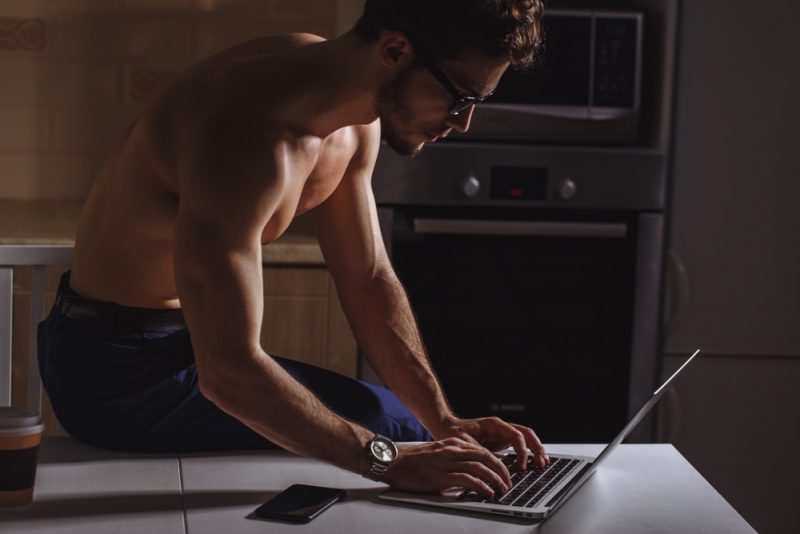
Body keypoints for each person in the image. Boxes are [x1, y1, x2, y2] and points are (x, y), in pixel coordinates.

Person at [38, 0, 547, 499]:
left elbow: (369, 279)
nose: (462, 124)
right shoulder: (241, 133)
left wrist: (445, 422)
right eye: (460, 99)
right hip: (115, 376)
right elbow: (230, 372)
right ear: (395, 50)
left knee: (410, 428)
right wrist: (390, 462)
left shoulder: (355, 116)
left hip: (178, 350)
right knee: (393, 436)